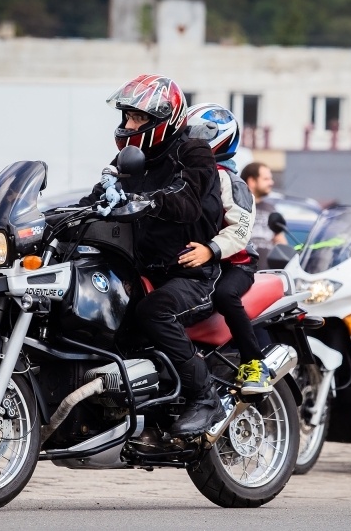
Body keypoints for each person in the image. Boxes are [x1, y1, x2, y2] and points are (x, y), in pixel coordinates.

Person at [78, 74, 225, 436]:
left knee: (154, 312)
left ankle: (205, 398)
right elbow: (98, 195)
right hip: (141, 270)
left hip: (190, 274)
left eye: (138, 118)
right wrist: (62, 216)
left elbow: (188, 201)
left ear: (165, 119)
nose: (129, 125)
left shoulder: (193, 152)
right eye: (126, 116)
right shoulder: (128, 158)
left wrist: (150, 199)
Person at [180, 103, 271, 394]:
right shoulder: (183, 174)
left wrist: (211, 250)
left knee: (224, 294)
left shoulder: (229, 179)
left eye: (193, 136)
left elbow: (241, 229)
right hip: (203, 260)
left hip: (236, 262)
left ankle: (255, 363)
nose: (187, 141)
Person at [241, 162, 287, 267]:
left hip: (267, 275)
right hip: (241, 273)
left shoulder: (271, 209)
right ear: (252, 181)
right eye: (266, 179)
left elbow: (280, 241)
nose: (271, 182)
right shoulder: (236, 207)